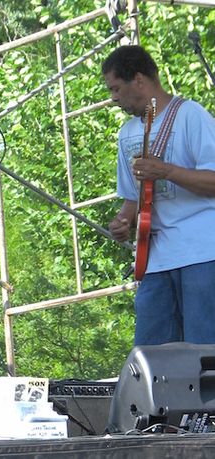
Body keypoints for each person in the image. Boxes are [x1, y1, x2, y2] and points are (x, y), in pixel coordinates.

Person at [102, 45, 215, 346]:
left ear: (138, 79)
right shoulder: (126, 133)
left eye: (116, 88)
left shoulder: (190, 115)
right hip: (156, 258)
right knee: (152, 353)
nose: (113, 98)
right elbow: (132, 199)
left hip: (203, 252)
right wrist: (123, 221)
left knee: (204, 349)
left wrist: (167, 171)